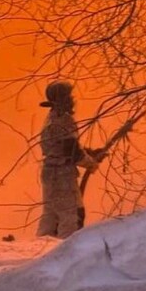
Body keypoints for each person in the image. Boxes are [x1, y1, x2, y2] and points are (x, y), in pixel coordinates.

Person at [36, 81, 98, 239]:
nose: (72, 99)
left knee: (50, 215)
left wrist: (89, 153)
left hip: (49, 172)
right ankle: (66, 254)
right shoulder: (64, 119)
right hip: (62, 174)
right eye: (69, 96)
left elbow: (66, 146)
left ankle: (42, 250)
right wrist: (90, 163)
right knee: (70, 216)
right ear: (63, 99)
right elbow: (72, 152)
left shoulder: (50, 118)